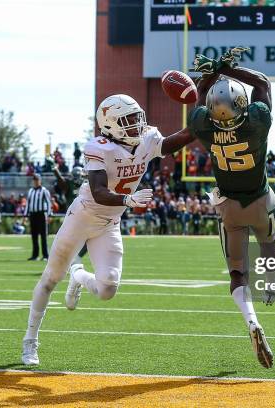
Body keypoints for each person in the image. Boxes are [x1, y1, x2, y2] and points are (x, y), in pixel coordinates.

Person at [21, 94, 194, 365]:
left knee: (107, 290)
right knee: (50, 279)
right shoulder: (99, 147)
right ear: (110, 124)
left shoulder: (147, 139)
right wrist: (127, 199)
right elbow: (100, 191)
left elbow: (184, 136)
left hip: (109, 223)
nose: (137, 124)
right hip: (83, 216)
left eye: (137, 117)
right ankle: (30, 341)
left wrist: (206, 106)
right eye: (128, 120)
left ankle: (78, 275)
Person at [188, 47, 275, 369]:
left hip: (228, 206)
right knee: (267, 243)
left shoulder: (202, 124)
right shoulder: (257, 122)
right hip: (260, 199)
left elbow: (199, 93)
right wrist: (230, 67)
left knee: (238, 272)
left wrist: (212, 73)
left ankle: (251, 320)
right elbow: (263, 83)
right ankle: (273, 280)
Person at [25, 174, 51, 261]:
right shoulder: (30, 191)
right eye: (34, 180)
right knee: (34, 236)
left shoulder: (44, 191)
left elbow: (48, 203)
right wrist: (25, 215)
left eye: (37, 180)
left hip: (41, 214)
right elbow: (28, 204)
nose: (35, 181)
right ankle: (35, 255)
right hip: (33, 215)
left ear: (40, 181)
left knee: (43, 236)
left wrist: (49, 215)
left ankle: (45, 255)